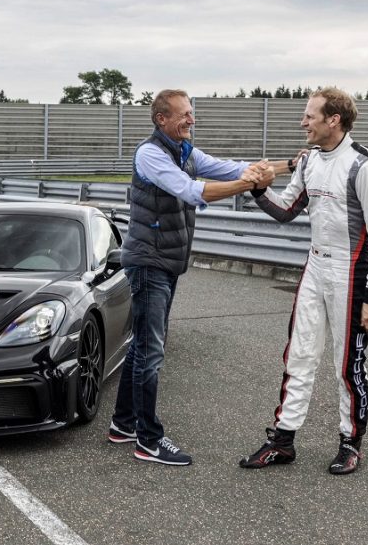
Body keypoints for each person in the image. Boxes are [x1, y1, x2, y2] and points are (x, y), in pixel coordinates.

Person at [107, 89, 287, 466]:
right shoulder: (151, 154)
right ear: (161, 119)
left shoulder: (186, 151)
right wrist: (249, 184)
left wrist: (284, 165)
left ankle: (123, 425)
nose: (191, 119)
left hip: (164, 261)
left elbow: (229, 167)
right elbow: (191, 192)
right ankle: (148, 440)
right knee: (151, 352)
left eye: (191, 113)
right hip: (149, 263)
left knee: (142, 346)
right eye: (184, 114)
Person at [238, 87, 368, 475]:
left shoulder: (366, 166)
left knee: (347, 364)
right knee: (299, 354)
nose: (302, 122)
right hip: (315, 267)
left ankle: (350, 443)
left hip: (351, 275)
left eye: (309, 116)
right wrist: (259, 189)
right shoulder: (309, 161)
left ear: (333, 120)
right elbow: (286, 210)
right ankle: (283, 441)